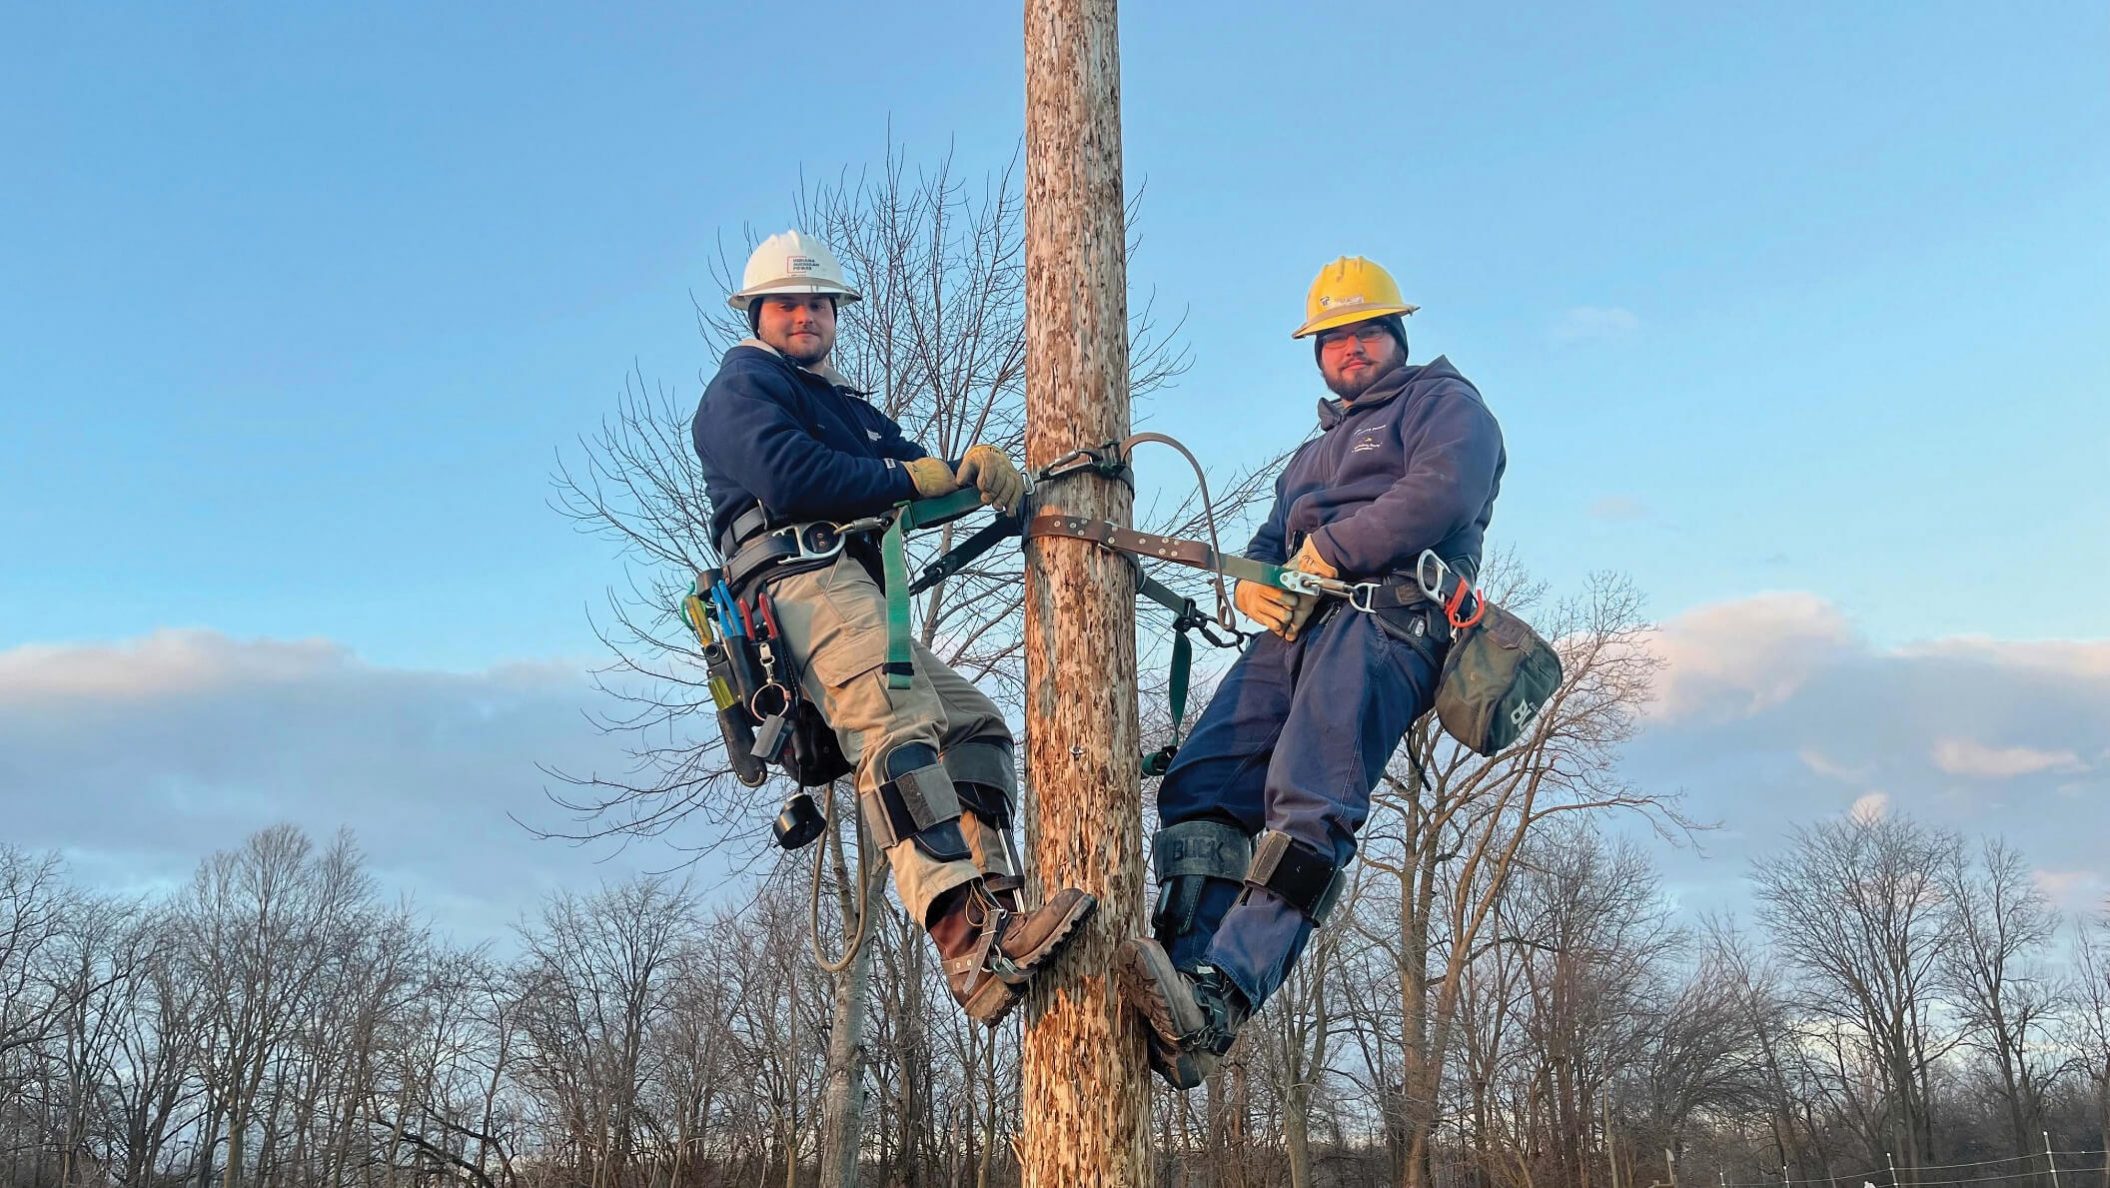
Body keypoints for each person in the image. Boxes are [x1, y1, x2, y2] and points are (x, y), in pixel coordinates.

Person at [1117, 255, 1506, 1086]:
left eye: (1364, 332)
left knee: (1308, 797)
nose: (1349, 350)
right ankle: (1180, 982)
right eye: (1332, 340)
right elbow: (1265, 544)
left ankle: (1224, 993)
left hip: (1387, 621)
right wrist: (1259, 588)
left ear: (1395, 334)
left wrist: (1329, 551)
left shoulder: (1444, 405)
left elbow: (1440, 493)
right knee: (1200, 782)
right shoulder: (1312, 453)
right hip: (1293, 633)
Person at [692, 230, 1095, 1024]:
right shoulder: (742, 387)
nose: (804, 316)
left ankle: (998, 903)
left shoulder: (846, 408)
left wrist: (977, 476)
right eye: (788, 304)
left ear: (835, 314)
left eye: (817, 304)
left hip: (860, 588)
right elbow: (790, 475)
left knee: (976, 724)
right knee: (896, 722)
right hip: (802, 581)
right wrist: (901, 477)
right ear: (758, 313)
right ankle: (969, 940)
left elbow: (915, 474)